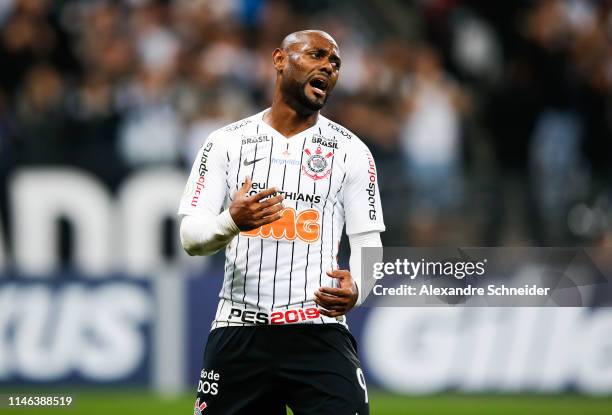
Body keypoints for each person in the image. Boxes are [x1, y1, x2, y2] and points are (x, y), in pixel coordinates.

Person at [178, 30, 384, 415]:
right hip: (239, 330)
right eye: (317, 55)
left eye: (335, 63)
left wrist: (359, 288)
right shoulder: (225, 143)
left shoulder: (352, 152)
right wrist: (231, 222)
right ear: (279, 60)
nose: (328, 67)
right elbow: (191, 237)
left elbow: (368, 241)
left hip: (319, 330)